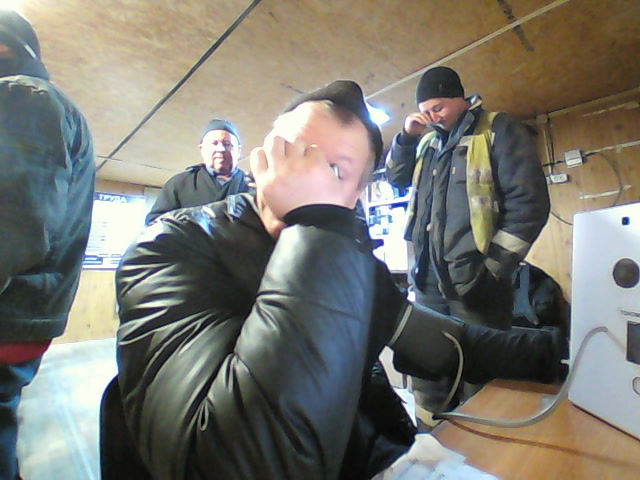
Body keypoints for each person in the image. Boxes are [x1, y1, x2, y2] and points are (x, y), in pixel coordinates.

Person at [114, 80, 565, 479]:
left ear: (354, 196)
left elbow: (444, 343)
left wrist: (559, 352)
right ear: (262, 158)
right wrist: (315, 223)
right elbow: (238, 464)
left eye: (334, 170)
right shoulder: (170, 247)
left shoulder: (346, 257)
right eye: (295, 151)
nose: (304, 175)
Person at [385, 66, 551, 414]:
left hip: (478, 284)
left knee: (483, 379)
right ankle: (431, 437)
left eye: (439, 107)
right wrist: (406, 137)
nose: (433, 117)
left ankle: (482, 443)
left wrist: (493, 269)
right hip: (428, 284)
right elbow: (396, 178)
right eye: (426, 111)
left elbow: (529, 204)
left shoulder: (498, 129)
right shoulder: (426, 141)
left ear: (460, 98)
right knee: (428, 370)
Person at [0, 10, 95, 480]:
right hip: (25, 308)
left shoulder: (21, 95)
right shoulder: (39, 100)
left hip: (10, 308)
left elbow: (16, 223)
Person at [145, 118, 254, 224]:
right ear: (202, 149)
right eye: (214, 143)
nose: (221, 149)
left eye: (227, 144)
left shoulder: (253, 186)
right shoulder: (179, 183)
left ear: (238, 150)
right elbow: (154, 224)